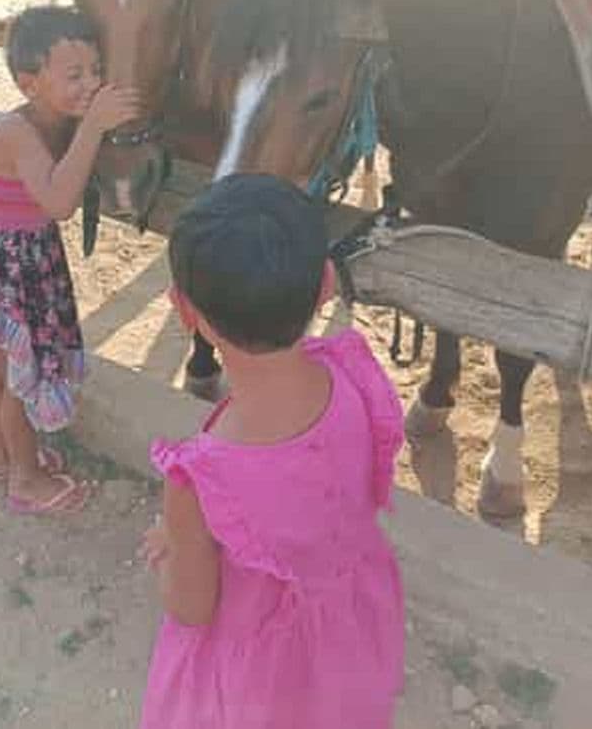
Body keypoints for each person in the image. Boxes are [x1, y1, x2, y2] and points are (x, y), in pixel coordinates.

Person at [141, 175, 404, 728]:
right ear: (327, 283)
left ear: (183, 311)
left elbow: (191, 608)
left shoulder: (199, 479)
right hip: (351, 630)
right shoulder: (354, 372)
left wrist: (171, 548)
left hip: (256, 688)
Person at [0, 5, 139, 515]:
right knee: (19, 383)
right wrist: (94, 125)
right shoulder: (16, 131)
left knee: (1, 372)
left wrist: (90, 123)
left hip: (12, 263)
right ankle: (25, 479)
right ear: (29, 85)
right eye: (74, 75)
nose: (91, 84)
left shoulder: (61, 120)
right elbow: (59, 202)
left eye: (96, 71)